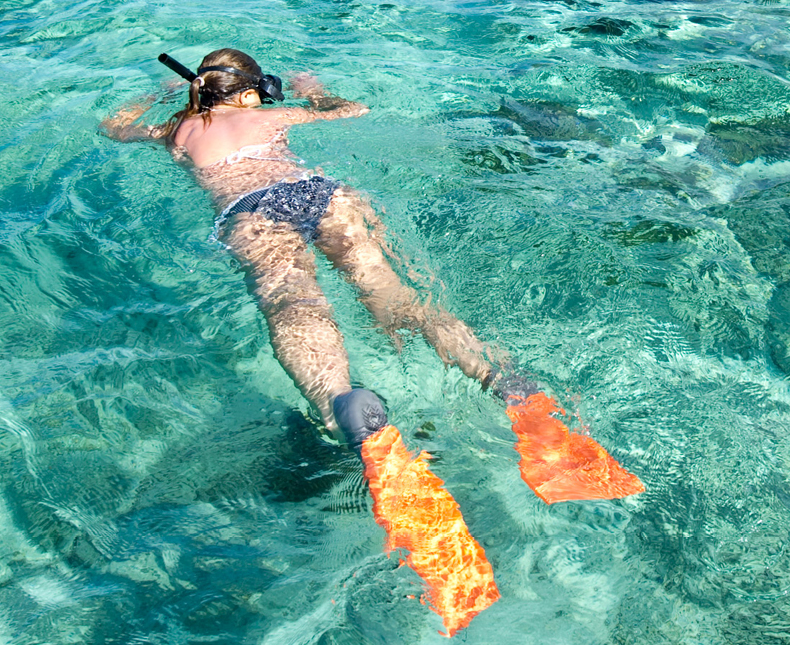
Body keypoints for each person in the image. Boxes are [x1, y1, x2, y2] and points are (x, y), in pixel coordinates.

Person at [101, 49, 529, 444]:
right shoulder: (275, 117)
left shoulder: (177, 130)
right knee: (389, 292)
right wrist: (314, 91)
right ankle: (492, 374)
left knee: (294, 304)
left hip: (251, 212)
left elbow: (114, 128)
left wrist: (159, 92)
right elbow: (353, 111)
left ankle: (338, 402)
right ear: (252, 93)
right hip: (316, 192)